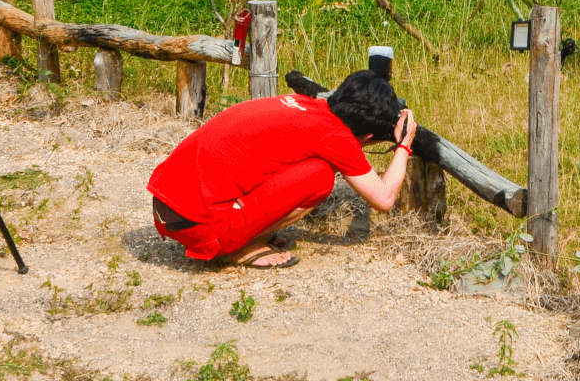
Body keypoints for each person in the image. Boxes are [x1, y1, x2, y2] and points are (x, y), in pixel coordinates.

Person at [145, 70, 418, 268]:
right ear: (368, 136)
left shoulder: (304, 104)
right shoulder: (336, 136)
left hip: (167, 208)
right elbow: (384, 199)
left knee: (302, 165)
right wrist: (404, 145)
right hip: (199, 228)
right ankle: (237, 245)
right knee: (321, 176)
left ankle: (243, 227)